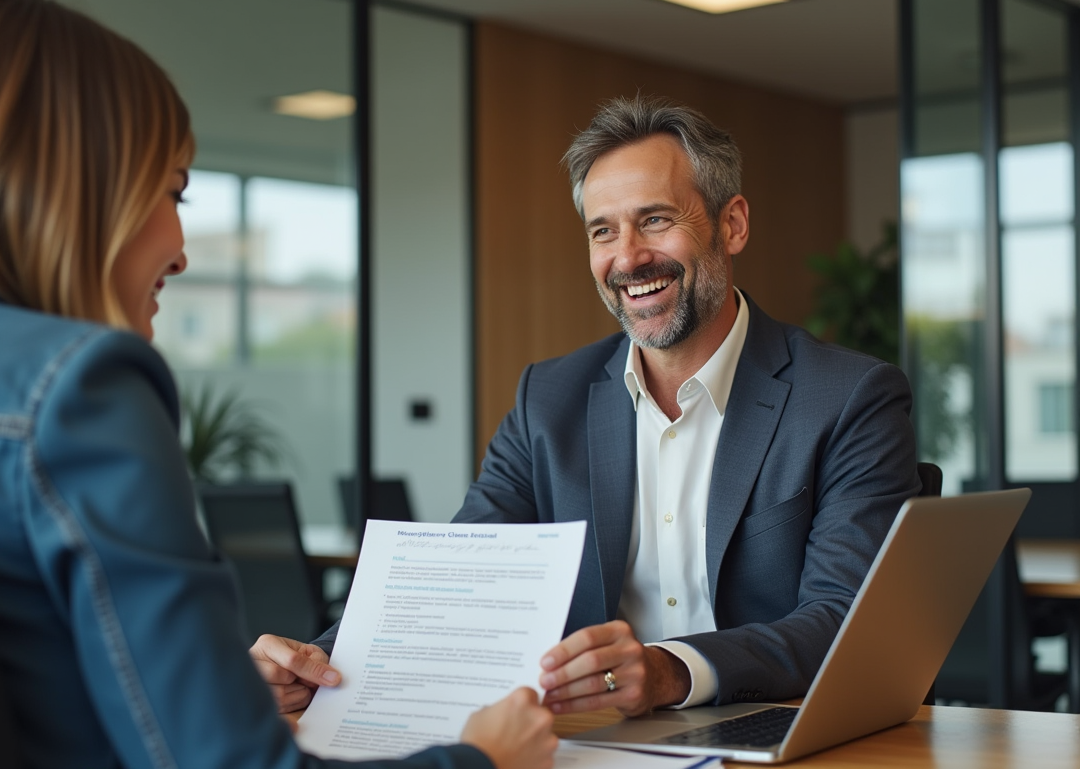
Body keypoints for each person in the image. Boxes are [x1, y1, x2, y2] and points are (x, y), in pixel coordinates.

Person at [0, 0, 555, 769]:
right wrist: (482, 759)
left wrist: (216, 688)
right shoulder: (79, 391)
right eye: (173, 192)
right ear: (76, 189)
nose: (180, 251)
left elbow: (10, 691)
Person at [257, 96, 920, 719]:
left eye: (655, 220)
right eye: (604, 231)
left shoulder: (848, 398)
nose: (628, 258)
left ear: (732, 224)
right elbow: (460, 580)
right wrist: (318, 663)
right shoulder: (547, 400)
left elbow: (844, 616)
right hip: (600, 738)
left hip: (775, 729)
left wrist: (671, 671)